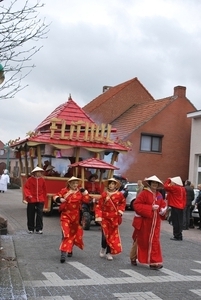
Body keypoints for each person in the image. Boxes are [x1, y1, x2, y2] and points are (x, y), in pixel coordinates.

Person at [133, 175, 167, 270]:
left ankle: (154, 262)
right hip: (145, 221)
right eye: (153, 183)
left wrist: (163, 210)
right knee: (142, 241)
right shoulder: (144, 193)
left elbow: (162, 205)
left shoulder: (159, 195)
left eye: (156, 183)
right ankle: (134, 256)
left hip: (155, 223)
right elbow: (136, 205)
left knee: (154, 241)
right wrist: (150, 208)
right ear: (150, 183)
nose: (155, 185)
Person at [53, 176, 90, 263]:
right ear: (69, 183)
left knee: (72, 234)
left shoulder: (79, 192)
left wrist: (85, 193)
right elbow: (55, 196)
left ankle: (70, 248)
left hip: (76, 216)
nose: (75, 185)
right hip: (65, 215)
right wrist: (60, 199)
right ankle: (63, 253)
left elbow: (86, 200)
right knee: (65, 234)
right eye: (73, 183)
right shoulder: (64, 191)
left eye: (76, 183)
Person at [95, 178, 126, 261]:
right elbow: (99, 206)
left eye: (113, 184)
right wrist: (99, 216)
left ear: (115, 185)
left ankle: (109, 252)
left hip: (114, 218)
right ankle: (103, 247)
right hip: (105, 218)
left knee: (112, 236)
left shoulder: (119, 195)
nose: (111, 185)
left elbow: (123, 203)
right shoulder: (104, 194)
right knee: (105, 235)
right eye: (110, 184)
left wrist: (120, 210)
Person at [24, 166, 47, 234]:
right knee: (31, 213)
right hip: (31, 199)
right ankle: (31, 228)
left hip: (40, 199)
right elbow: (26, 188)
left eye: (40, 172)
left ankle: (39, 228)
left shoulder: (42, 180)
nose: (39, 173)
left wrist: (44, 198)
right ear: (35, 173)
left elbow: (44, 190)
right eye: (38, 172)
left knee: (40, 214)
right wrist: (28, 195)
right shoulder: (30, 180)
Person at [164, 176, 186, 241]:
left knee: (175, 222)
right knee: (179, 222)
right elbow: (184, 199)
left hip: (175, 206)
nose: (171, 183)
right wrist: (183, 206)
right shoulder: (183, 189)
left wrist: (168, 179)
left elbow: (165, 187)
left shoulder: (175, 188)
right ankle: (179, 234)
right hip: (180, 207)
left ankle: (177, 236)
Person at [129, 179, 144, 266]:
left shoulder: (156, 194)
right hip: (141, 220)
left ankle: (149, 259)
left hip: (150, 221)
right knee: (138, 239)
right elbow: (138, 207)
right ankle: (133, 257)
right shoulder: (141, 192)